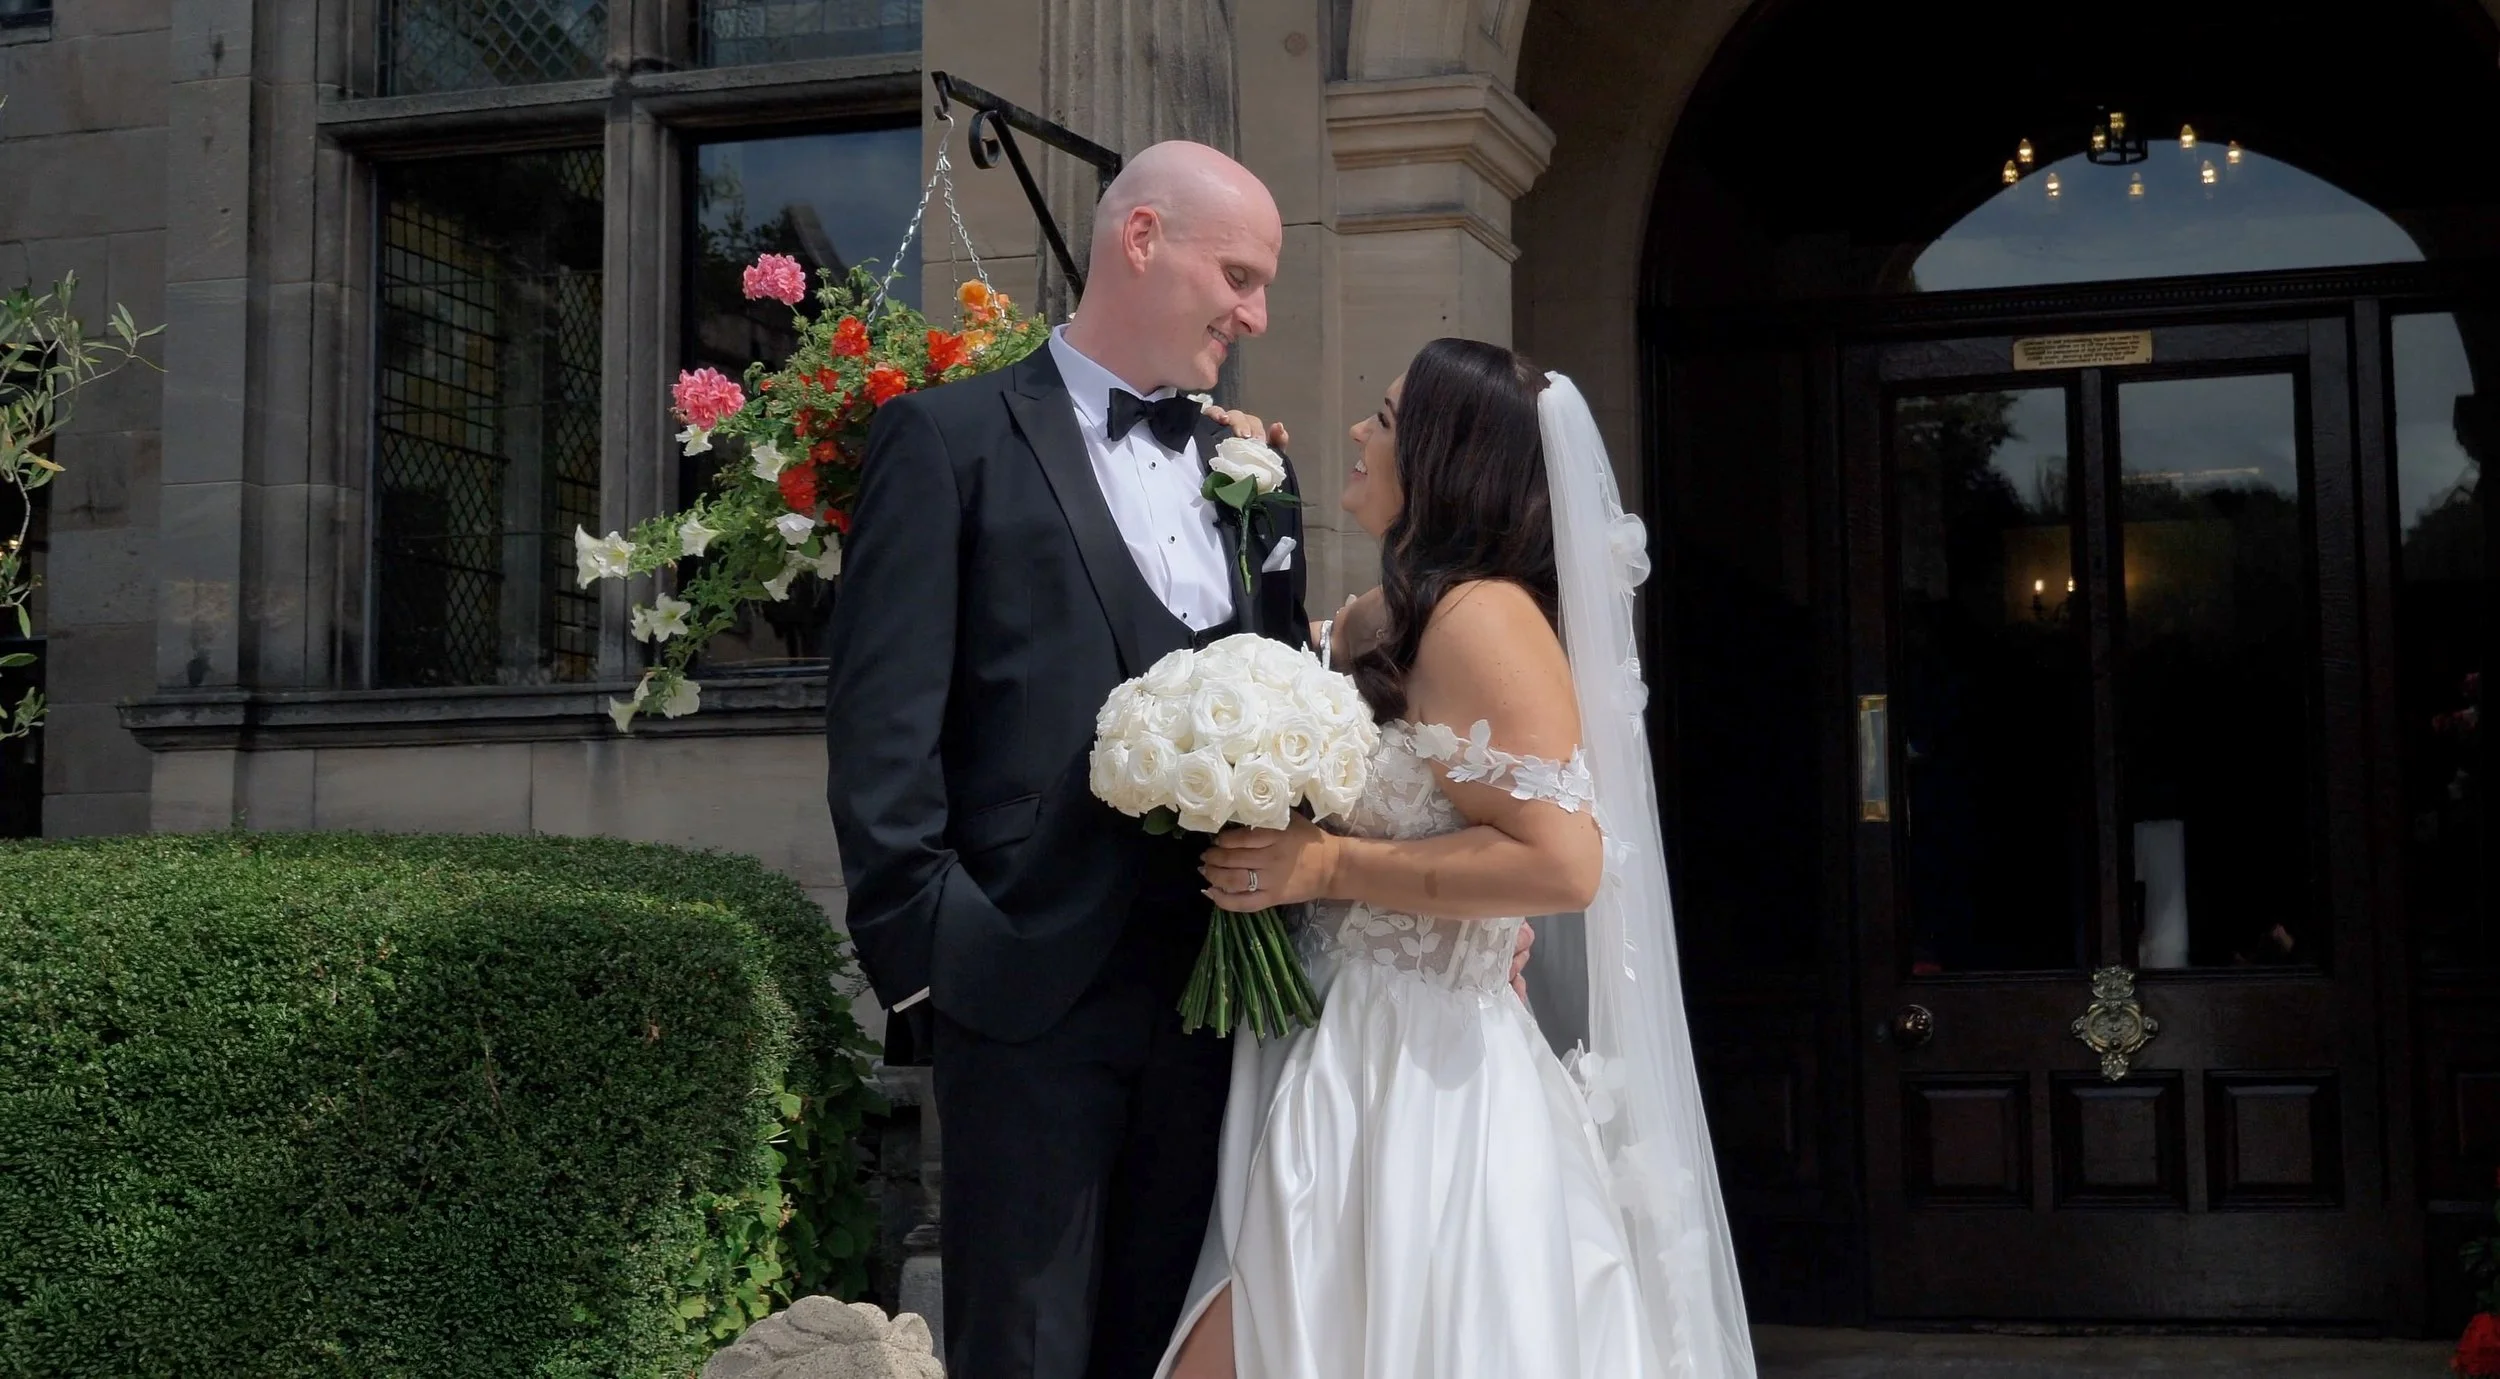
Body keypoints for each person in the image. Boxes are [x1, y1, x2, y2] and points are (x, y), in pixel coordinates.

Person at [1157, 340, 1759, 1378]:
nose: (1356, 429)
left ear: (1446, 455)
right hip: (1342, 1030)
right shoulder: (1392, 617)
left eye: (1385, 418)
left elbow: (1562, 865)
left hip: (1424, 1070)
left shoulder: (1484, 620)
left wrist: (1327, 867)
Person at [823, 141, 1310, 1379]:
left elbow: (1292, 707)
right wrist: (936, 964)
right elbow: (882, 732)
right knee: (1024, 1348)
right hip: (1021, 988)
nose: (1254, 315)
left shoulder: (1256, 476)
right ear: (1141, 238)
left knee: (1177, 1342)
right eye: (1240, 276)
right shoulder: (945, 440)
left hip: (1220, 996)